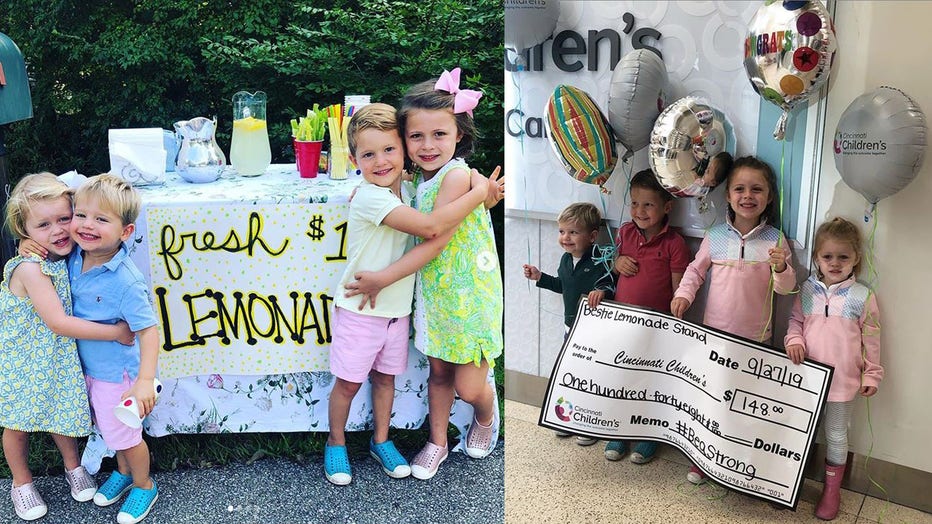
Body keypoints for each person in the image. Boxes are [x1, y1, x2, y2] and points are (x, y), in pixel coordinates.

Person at [345, 67, 504, 480]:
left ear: (459, 136)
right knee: (438, 373)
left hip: (470, 293)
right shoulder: (422, 178)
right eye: (416, 136)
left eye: (440, 135)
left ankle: (485, 414)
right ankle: (438, 441)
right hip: (436, 291)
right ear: (403, 141)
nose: (428, 145)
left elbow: (434, 234)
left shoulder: (456, 176)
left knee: (468, 386)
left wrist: (383, 277)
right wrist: (484, 197)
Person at [1, 173, 134, 521]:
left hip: (57, 357)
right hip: (24, 360)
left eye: (65, 218)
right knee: (18, 423)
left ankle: (73, 467)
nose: (58, 230)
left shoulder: (68, 252)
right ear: (23, 229)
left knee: (62, 413)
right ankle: (21, 482)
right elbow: (58, 323)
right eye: (43, 224)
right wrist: (116, 333)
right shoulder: (30, 267)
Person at [671, 156, 796, 485]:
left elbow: (787, 289)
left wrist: (781, 268)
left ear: (769, 197)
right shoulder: (714, 236)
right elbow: (695, 272)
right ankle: (702, 456)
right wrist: (683, 295)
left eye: (757, 189)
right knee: (712, 400)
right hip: (715, 340)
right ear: (727, 196)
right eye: (739, 188)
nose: (747, 195)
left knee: (745, 404)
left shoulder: (775, 241)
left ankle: (737, 459)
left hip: (756, 342)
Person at [70, 174, 160, 524]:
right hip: (90, 369)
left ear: (126, 232)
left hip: (116, 375)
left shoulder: (126, 280)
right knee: (110, 430)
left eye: (101, 219)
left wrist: (144, 381)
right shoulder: (75, 257)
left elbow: (148, 332)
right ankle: (122, 473)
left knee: (125, 433)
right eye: (81, 215)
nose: (87, 225)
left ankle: (143, 484)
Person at [588, 169, 691, 462]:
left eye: (648, 204)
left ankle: (647, 434)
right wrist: (617, 261)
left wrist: (675, 326)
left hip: (657, 328)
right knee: (622, 377)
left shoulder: (674, 244)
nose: (639, 211)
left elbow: (679, 290)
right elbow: (610, 266)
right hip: (623, 325)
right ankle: (619, 431)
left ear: (666, 207)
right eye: (634, 203)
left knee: (649, 383)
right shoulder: (625, 232)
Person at [784, 217, 881, 521]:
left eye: (843, 257)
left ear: (856, 259)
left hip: (842, 382)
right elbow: (795, 322)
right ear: (816, 258)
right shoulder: (807, 291)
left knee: (836, 433)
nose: (835, 263)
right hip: (807, 380)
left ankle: (831, 490)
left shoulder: (862, 296)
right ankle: (792, 480)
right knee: (804, 431)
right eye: (827, 256)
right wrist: (794, 339)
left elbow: (872, 338)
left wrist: (872, 372)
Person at [522, 202, 611, 446]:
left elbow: (612, 285)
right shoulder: (565, 259)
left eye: (573, 232)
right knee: (570, 374)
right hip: (570, 329)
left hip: (594, 331)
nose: (566, 237)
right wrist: (540, 277)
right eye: (562, 231)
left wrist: (602, 290)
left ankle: (590, 424)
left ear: (592, 236)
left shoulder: (600, 258)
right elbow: (563, 286)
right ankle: (569, 419)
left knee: (591, 377)